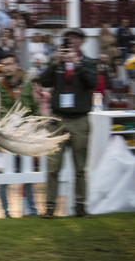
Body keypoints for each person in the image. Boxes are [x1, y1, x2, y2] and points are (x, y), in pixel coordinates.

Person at [39, 28, 97, 219]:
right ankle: (50, 207)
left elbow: (92, 83)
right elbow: (44, 81)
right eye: (68, 39)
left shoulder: (88, 62)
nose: (70, 41)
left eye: (74, 38)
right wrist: (55, 62)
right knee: (53, 167)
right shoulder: (58, 62)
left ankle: (80, 205)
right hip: (58, 119)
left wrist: (77, 64)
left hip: (80, 119)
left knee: (80, 167)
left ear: (82, 41)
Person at [0, 53, 39, 218]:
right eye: (4, 65)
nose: (7, 68)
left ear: (17, 66)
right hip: (5, 140)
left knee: (27, 176)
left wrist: (40, 124)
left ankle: (31, 210)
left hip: (24, 139)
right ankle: (6, 213)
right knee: (4, 179)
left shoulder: (26, 86)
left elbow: (34, 109)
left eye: (10, 64)